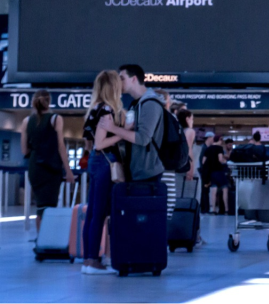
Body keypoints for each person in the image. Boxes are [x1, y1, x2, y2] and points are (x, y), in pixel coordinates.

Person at [81, 70, 125, 274]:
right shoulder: (107, 110)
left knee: (91, 213)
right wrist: (123, 133)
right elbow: (100, 143)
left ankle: (88, 259)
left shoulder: (93, 109)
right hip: (106, 163)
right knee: (98, 213)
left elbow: (91, 143)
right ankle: (92, 260)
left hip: (94, 162)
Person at [19, 89, 76, 232]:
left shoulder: (26, 121)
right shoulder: (55, 118)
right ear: (49, 101)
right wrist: (68, 171)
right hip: (51, 168)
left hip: (35, 168)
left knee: (41, 205)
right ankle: (47, 239)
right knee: (49, 205)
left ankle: (41, 240)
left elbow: (24, 150)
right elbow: (61, 147)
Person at [98, 65, 165, 184]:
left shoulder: (150, 104)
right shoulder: (136, 104)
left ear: (134, 79)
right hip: (138, 172)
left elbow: (143, 138)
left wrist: (112, 128)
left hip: (147, 174)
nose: (119, 82)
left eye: (122, 78)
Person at [176, 109, 203, 245]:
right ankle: (195, 235)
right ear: (187, 118)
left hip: (178, 171)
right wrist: (191, 169)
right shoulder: (190, 132)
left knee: (179, 202)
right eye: (192, 118)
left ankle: (179, 232)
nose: (193, 121)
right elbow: (189, 150)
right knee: (194, 203)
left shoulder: (177, 131)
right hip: (189, 171)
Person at [202, 135, 230, 214]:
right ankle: (226, 209)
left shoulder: (208, 149)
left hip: (211, 172)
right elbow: (220, 159)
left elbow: (203, 162)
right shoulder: (219, 148)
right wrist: (225, 162)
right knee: (225, 189)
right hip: (219, 172)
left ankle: (213, 209)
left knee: (213, 191)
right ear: (220, 140)